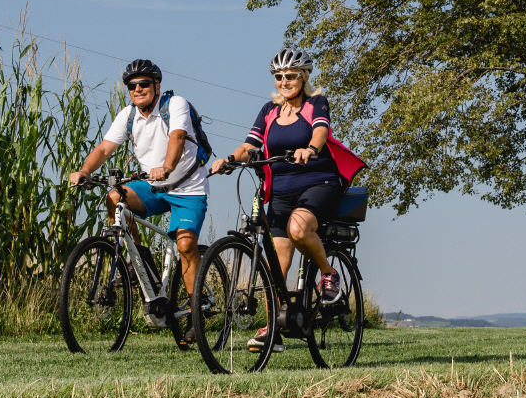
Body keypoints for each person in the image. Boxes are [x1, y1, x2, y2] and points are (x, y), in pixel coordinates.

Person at [211, 46, 346, 351]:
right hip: (281, 190)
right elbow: (251, 144)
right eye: (279, 77)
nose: (284, 82)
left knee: (299, 229)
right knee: (275, 269)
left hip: (319, 182)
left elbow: (321, 132)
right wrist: (229, 160)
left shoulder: (316, 103)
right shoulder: (269, 111)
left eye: (291, 76)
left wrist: (310, 150)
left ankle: (328, 274)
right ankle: (273, 330)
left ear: (304, 77)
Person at [67, 59, 208, 342]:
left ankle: (196, 315)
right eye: (132, 86)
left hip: (187, 189)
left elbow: (178, 137)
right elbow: (105, 148)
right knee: (114, 198)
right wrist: (84, 171)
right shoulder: (128, 114)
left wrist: (167, 167)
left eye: (144, 83)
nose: (138, 89)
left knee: (185, 245)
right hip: (152, 188)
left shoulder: (175, 104)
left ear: (157, 85)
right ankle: (138, 262)